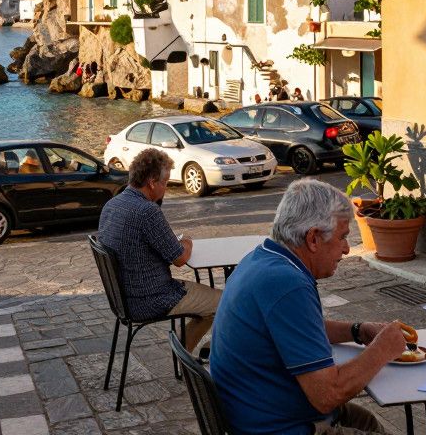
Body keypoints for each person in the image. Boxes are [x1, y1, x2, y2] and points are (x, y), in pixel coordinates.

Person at [212, 179, 408, 434]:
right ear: (313, 238)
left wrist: (357, 330)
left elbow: (299, 328)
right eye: (343, 237)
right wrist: (382, 350)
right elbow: (327, 394)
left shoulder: (262, 258)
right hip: (278, 426)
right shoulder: (287, 283)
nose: (347, 249)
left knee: (366, 422)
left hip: (260, 410)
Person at [97, 148, 221, 353]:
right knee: (226, 303)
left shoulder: (112, 205)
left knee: (209, 302)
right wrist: (187, 242)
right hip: (152, 299)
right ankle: (188, 352)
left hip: (123, 299)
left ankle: (184, 348)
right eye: (165, 183)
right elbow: (180, 258)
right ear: (152, 182)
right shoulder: (147, 211)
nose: (165, 189)